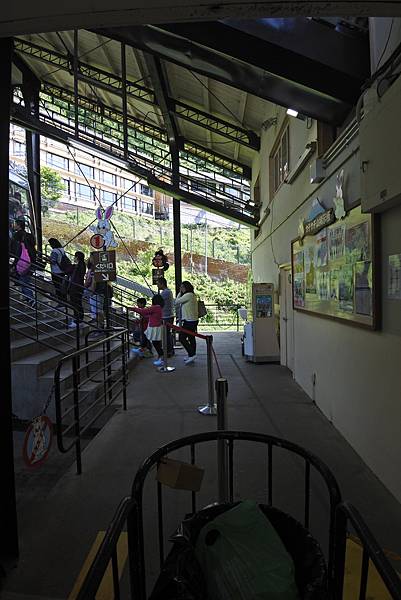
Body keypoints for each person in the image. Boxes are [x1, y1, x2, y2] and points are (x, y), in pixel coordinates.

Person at [130, 294, 165, 366]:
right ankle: (142, 349)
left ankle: (161, 358)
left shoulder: (156, 307)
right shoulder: (158, 308)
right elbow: (149, 314)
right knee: (148, 337)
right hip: (154, 327)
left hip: (155, 327)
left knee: (156, 343)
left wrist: (133, 309)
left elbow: (144, 312)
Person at [11, 219, 37, 307]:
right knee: (25, 280)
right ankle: (27, 297)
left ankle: (31, 299)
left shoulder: (17, 236)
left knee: (24, 281)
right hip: (31, 261)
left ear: (18, 226)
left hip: (22, 262)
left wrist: (14, 263)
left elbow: (16, 251)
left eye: (15, 224)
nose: (14, 226)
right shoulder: (29, 235)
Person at [175, 281, 199, 364]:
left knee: (181, 338)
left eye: (182, 287)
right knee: (191, 338)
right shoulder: (192, 295)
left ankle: (192, 354)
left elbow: (177, 301)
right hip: (192, 320)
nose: (181, 289)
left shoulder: (188, 295)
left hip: (189, 321)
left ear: (186, 287)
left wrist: (179, 293)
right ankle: (192, 355)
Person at [48, 238, 70, 305]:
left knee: (57, 287)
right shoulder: (61, 250)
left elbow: (53, 261)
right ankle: (64, 300)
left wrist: (47, 259)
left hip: (56, 271)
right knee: (62, 286)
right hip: (62, 270)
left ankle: (60, 302)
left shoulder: (54, 251)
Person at [157, 277, 174, 357]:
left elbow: (157, 301)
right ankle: (170, 350)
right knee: (167, 334)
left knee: (166, 335)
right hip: (169, 315)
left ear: (162, 284)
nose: (157, 285)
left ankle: (168, 351)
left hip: (166, 317)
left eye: (158, 283)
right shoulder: (168, 291)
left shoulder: (165, 293)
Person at [68, 251, 86, 328]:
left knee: (76, 303)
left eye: (75, 256)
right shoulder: (82, 265)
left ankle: (77, 319)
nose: (74, 258)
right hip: (79, 287)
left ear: (77, 257)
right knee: (78, 303)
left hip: (75, 287)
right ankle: (79, 318)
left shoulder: (78, 266)